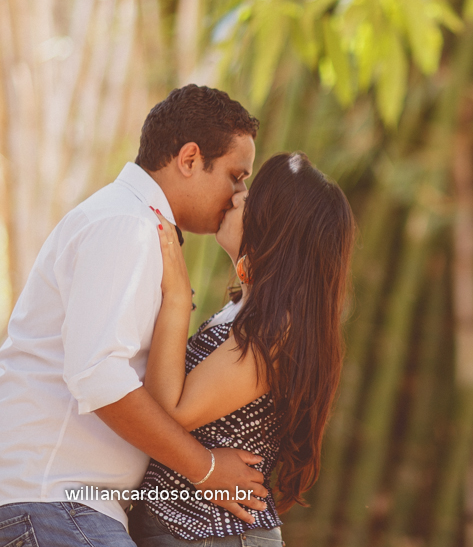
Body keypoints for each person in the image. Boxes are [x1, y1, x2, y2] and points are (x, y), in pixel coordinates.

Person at [0, 85, 269, 547]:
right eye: (235, 175)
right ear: (189, 159)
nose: (240, 194)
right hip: (54, 502)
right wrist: (205, 468)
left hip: (64, 505)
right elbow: (98, 377)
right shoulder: (127, 225)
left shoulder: (136, 223)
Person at [129, 152, 355, 546]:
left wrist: (179, 297)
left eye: (250, 196)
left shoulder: (276, 329)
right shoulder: (247, 312)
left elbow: (171, 410)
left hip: (216, 534)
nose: (235, 196)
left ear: (274, 225)